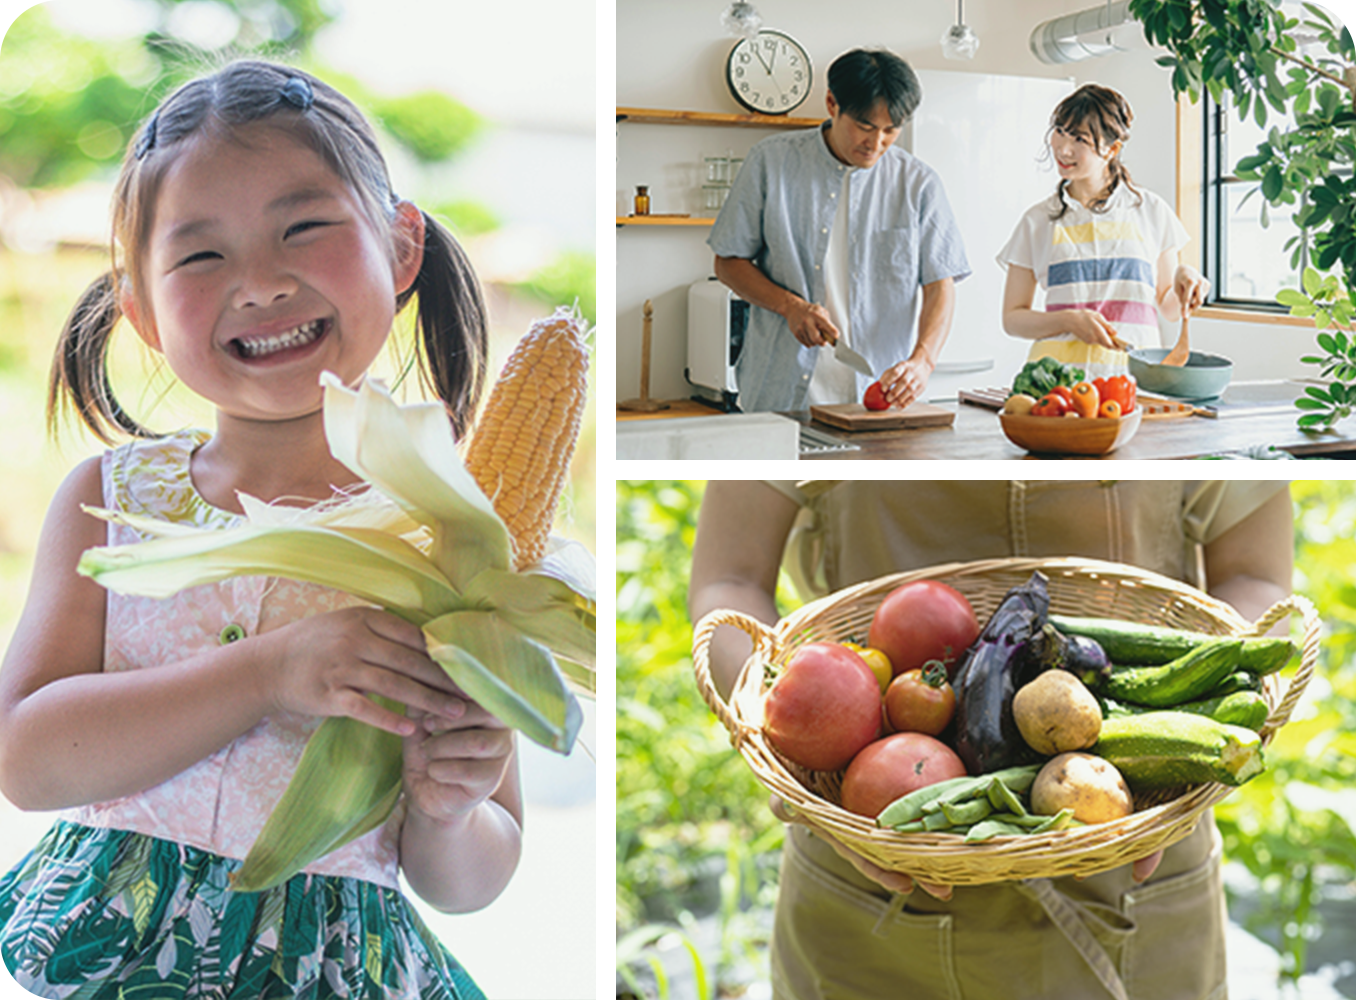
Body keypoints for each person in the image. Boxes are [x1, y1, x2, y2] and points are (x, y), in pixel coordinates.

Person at [0, 60, 513, 999]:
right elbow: (26, 761)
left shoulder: (457, 536)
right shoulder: (109, 498)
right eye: (201, 255)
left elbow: (474, 878)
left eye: (304, 227)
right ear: (142, 311)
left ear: (402, 249)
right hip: (80, 954)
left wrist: (450, 808)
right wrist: (272, 672)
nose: (262, 282)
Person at [690, 479, 1294, 1000]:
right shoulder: (815, 364)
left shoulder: (1185, 382)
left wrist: (1188, 748)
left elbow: (1256, 578)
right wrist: (787, 743)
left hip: (1135, 856)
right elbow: (731, 578)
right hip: (874, 850)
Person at [708, 48, 971, 414]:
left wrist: (923, 361)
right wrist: (790, 307)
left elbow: (940, 283)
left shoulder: (919, 183)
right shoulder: (771, 161)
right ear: (832, 103)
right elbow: (728, 261)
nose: (876, 143)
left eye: (891, 130)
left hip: (878, 400)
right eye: (865, 126)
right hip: (777, 393)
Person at [999, 84, 1210, 380]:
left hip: (1133, 382)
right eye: (1060, 130)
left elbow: (1169, 308)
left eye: (1079, 139)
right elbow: (1012, 319)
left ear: (1112, 149)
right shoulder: (1037, 221)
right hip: (1058, 386)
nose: (1063, 148)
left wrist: (1188, 280)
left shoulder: (1151, 211)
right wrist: (1069, 321)